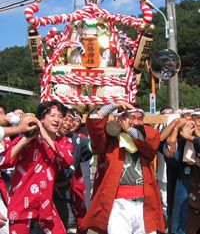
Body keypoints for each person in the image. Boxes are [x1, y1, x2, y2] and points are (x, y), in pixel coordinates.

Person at [82, 102, 165, 234]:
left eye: (140, 118)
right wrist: (115, 105)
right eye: (131, 117)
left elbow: (150, 140)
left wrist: (129, 130)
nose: (136, 122)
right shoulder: (110, 140)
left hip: (144, 202)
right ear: (120, 118)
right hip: (117, 203)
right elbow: (94, 119)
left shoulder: (146, 136)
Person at [0, 100, 74, 234]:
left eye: (60, 116)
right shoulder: (27, 140)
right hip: (21, 204)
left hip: (46, 205)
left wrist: (46, 137)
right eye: (52, 115)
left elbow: (67, 160)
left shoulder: (64, 142)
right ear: (41, 119)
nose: (57, 119)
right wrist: (25, 138)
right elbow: (4, 162)